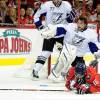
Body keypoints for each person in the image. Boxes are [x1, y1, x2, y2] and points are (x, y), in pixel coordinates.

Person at [41, 16, 100, 81]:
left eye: (81, 23)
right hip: (67, 50)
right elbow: (62, 30)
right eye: (78, 23)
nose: (79, 25)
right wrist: (53, 32)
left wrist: (96, 52)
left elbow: (92, 45)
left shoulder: (90, 33)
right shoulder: (71, 26)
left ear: (85, 24)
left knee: (81, 74)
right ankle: (57, 74)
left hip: (78, 55)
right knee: (65, 59)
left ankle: (67, 75)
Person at [32, 0, 76, 78]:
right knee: (46, 52)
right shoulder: (46, 5)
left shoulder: (67, 5)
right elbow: (36, 16)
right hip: (50, 33)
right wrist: (40, 27)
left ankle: (66, 73)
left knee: (66, 53)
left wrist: (71, 17)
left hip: (62, 33)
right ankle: (35, 70)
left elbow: (69, 21)